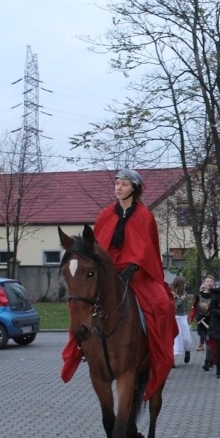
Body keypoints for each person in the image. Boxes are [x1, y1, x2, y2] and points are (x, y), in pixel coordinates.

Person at [61, 169, 176, 401]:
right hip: (108, 274)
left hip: (138, 275)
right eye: (117, 184)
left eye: (124, 184)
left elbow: (147, 250)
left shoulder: (145, 216)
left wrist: (132, 268)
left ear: (135, 188)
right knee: (80, 303)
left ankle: (157, 352)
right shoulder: (105, 215)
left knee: (162, 303)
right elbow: (97, 248)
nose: (118, 188)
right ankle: (81, 344)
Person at [194, 275, 215, 369]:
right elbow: (195, 308)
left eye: (211, 281)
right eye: (207, 281)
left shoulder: (215, 295)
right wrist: (198, 317)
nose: (209, 283)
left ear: (213, 284)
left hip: (211, 322)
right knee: (207, 341)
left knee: (208, 342)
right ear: (204, 283)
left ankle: (207, 361)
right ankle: (210, 360)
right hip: (202, 323)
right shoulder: (198, 295)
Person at [171, 276, 194, 365]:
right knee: (177, 339)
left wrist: (181, 298)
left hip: (183, 316)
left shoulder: (184, 294)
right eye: (184, 284)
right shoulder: (172, 293)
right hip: (175, 318)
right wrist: (180, 299)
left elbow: (182, 307)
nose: (185, 285)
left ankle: (187, 350)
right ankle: (173, 359)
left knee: (186, 337)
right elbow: (175, 306)